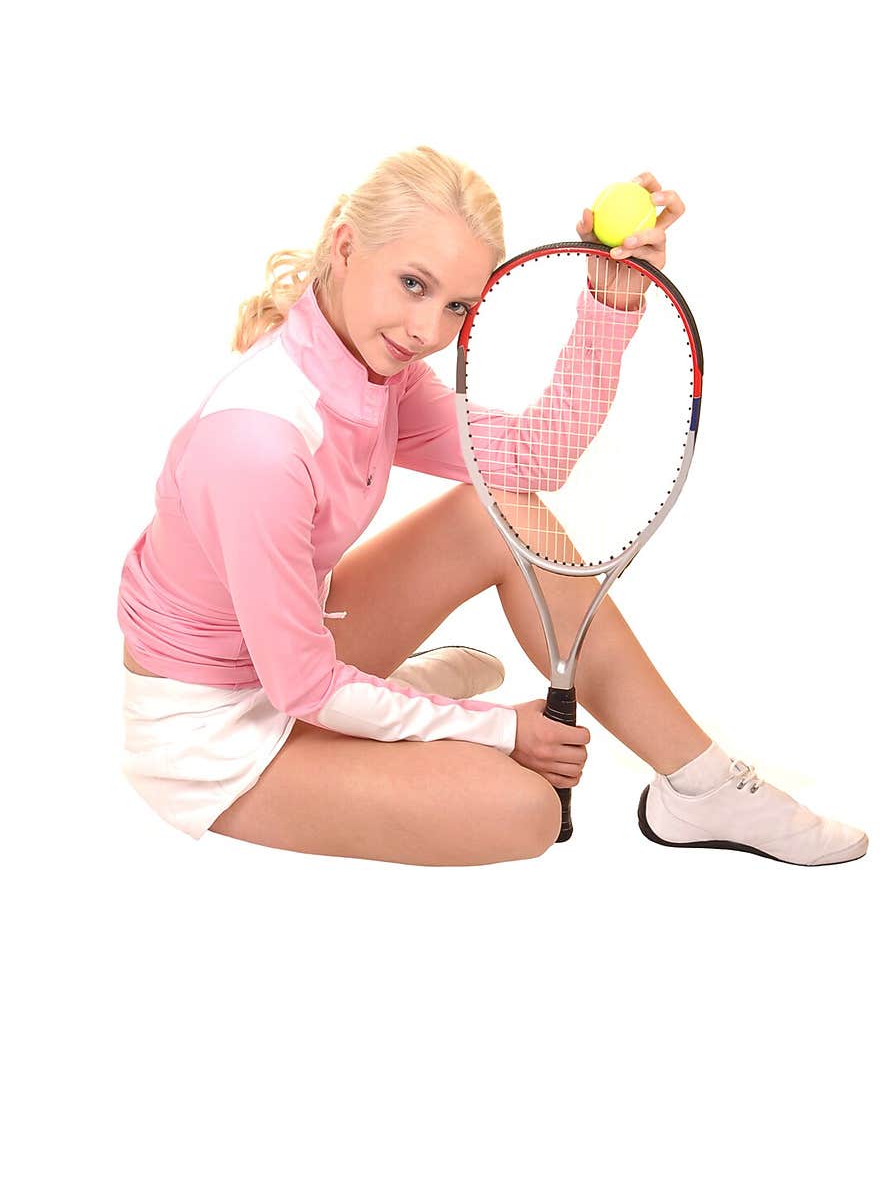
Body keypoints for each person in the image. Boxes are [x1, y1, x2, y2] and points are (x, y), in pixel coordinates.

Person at [117, 144, 868, 868]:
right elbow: (302, 686)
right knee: (526, 811)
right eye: (412, 284)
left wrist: (611, 302)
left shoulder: (379, 373)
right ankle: (393, 700)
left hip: (293, 649)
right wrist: (500, 730)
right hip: (220, 733)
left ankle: (701, 784)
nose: (426, 331)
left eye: (455, 307)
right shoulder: (258, 442)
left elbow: (528, 462)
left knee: (496, 512)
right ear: (346, 247)